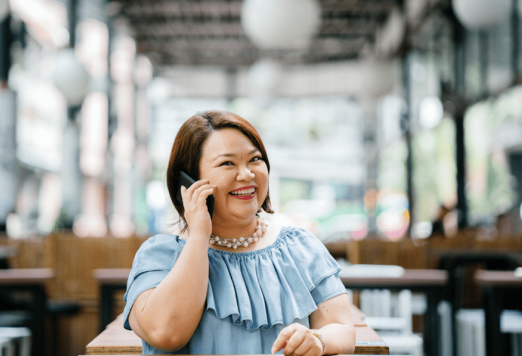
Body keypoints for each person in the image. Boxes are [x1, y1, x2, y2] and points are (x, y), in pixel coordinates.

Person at [123, 110, 355, 355]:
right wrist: (200, 234)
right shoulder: (159, 256)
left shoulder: (301, 248)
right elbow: (166, 334)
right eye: (227, 163)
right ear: (189, 181)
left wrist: (317, 339)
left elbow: (342, 329)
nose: (247, 174)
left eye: (255, 159)